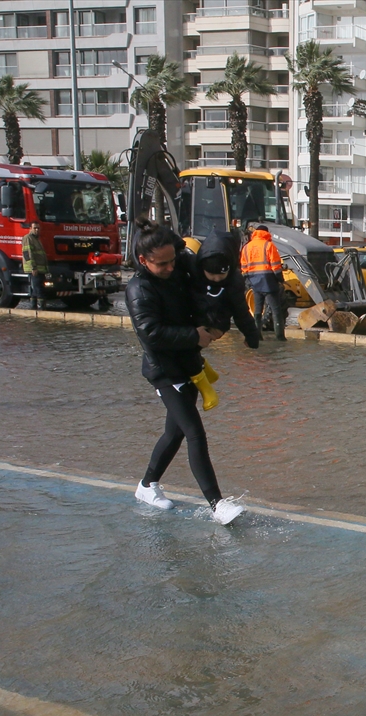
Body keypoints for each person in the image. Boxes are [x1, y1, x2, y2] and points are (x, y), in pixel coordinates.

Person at [125, 216, 245, 526]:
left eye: (172, 260)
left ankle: (147, 485)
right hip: (164, 369)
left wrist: (216, 324)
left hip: (189, 361)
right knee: (194, 432)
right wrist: (196, 335)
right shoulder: (139, 288)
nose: (169, 268)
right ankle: (217, 505)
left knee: (174, 431)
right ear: (143, 260)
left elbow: (207, 286)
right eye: (161, 264)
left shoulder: (179, 268)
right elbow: (150, 332)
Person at [181, 230, 262, 410]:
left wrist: (252, 335)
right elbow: (176, 254)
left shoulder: (234, 282)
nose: (217, 279)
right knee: (186, 346)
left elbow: (241, 312)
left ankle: (204, 385)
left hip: (217, 320)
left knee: (190, 347)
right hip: (194, 315)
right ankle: (204, 371)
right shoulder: (193, 266)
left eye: (221, 275)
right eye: (212, 275)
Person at [241, 225, 287, 340]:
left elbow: (244, 268)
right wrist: (281, 280)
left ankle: (257, 335)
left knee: (257, 311)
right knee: (276, 310)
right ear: (266, 233)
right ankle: (280, 337)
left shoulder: (247, 247)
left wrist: (250, 279)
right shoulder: (269, 245)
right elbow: (276, 267)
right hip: (269, 282)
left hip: (254, 283)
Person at [21, 222, 48, 310]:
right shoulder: (28, 238)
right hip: (34, 269)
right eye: (35, 228)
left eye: (38, 228)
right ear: (30, 228)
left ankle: (33, 307)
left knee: (36, 289)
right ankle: (41, 308)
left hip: (40, 268)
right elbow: (27, 254)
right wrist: (33, 267)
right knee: (39, 288)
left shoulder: (37, 239)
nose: (37, 230)